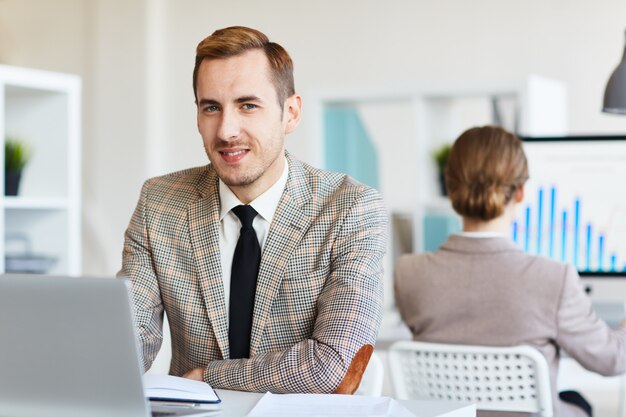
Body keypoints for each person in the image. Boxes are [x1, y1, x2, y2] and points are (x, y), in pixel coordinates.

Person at [118, 26, 387, 394]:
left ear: (290, 113)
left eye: (248, 105)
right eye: (211, 107)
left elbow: (333, 364)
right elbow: (127, 343)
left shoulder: (350, 207)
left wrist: (210, 378)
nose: (227, 130)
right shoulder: (159, 202)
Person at [394, 125, 626, 417]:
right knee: (577, 402)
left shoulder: (409, 273)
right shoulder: (554, 279)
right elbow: (613, 360)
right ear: (519, 193)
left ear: (450, 190)